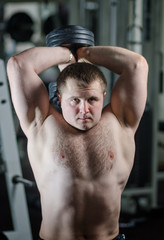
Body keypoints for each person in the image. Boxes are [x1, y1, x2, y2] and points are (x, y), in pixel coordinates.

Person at [7, 44, 148, 240]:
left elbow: (136, 65)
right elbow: (18, 65)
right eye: (75, 100)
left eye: (92, 99)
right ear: (59, 97)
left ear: (103, 97)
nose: (84, 110)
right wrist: (65, 54)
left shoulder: (121, 122)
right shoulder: (40, 124)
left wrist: (84, 52)